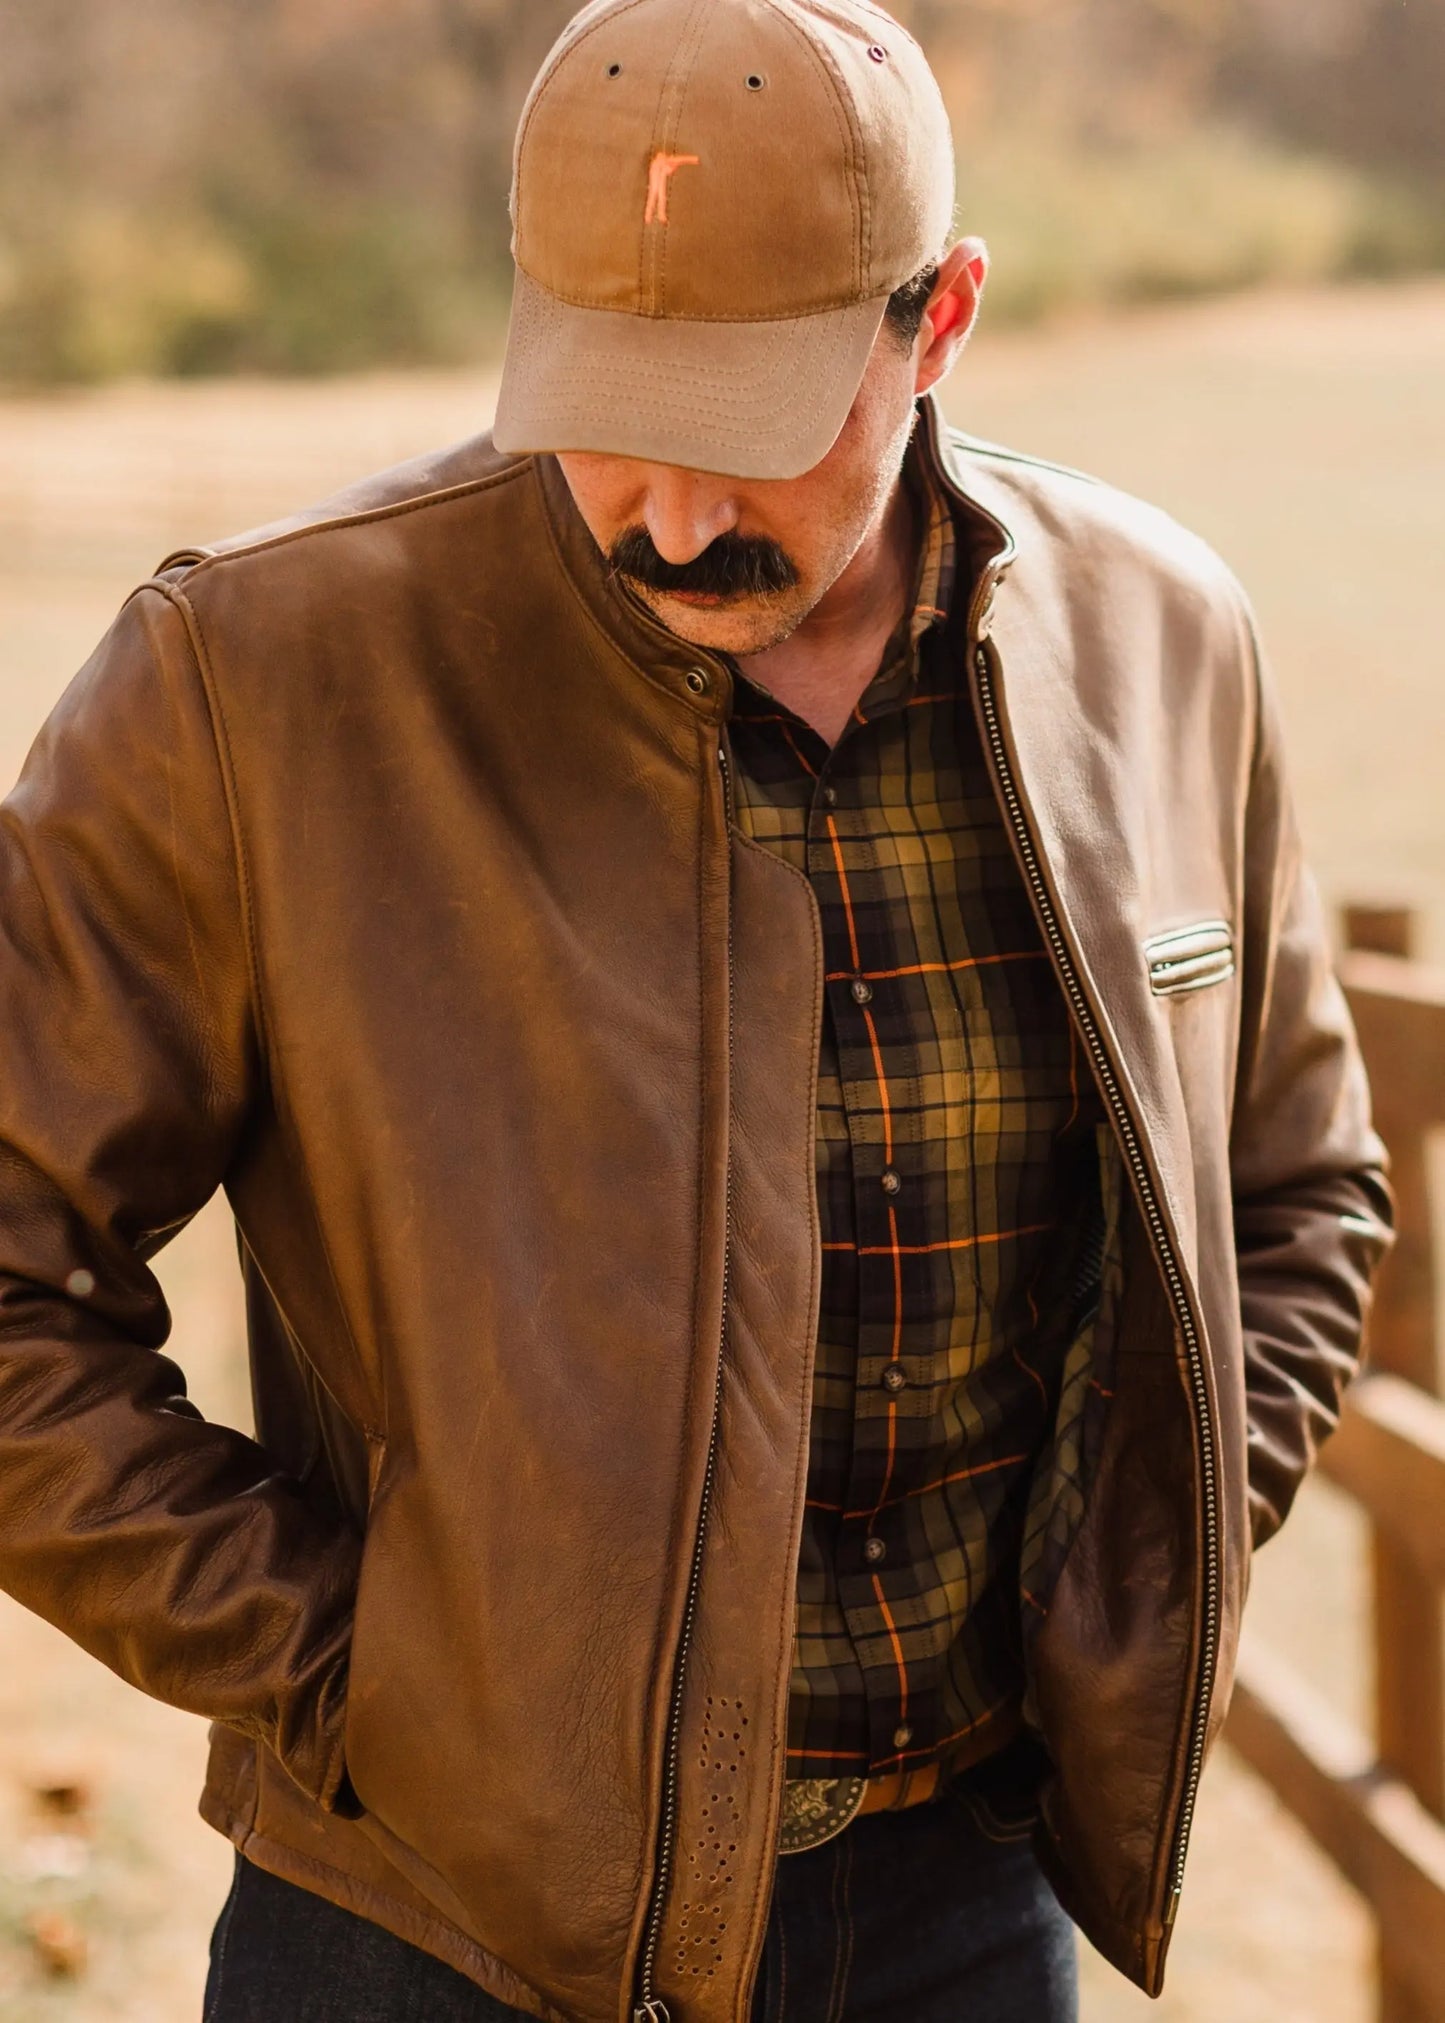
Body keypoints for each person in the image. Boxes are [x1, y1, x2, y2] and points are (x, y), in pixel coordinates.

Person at [0, 1, 1393, 2019]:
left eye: (746, 428)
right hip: (422, 1926)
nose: (664, 517)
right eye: (598, 413)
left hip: (966, 1907)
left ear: (940, 320)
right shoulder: (250, 675)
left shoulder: (1162, 635)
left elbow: (1297, 1190)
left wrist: (1122, 1579)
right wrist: (372, 1686)